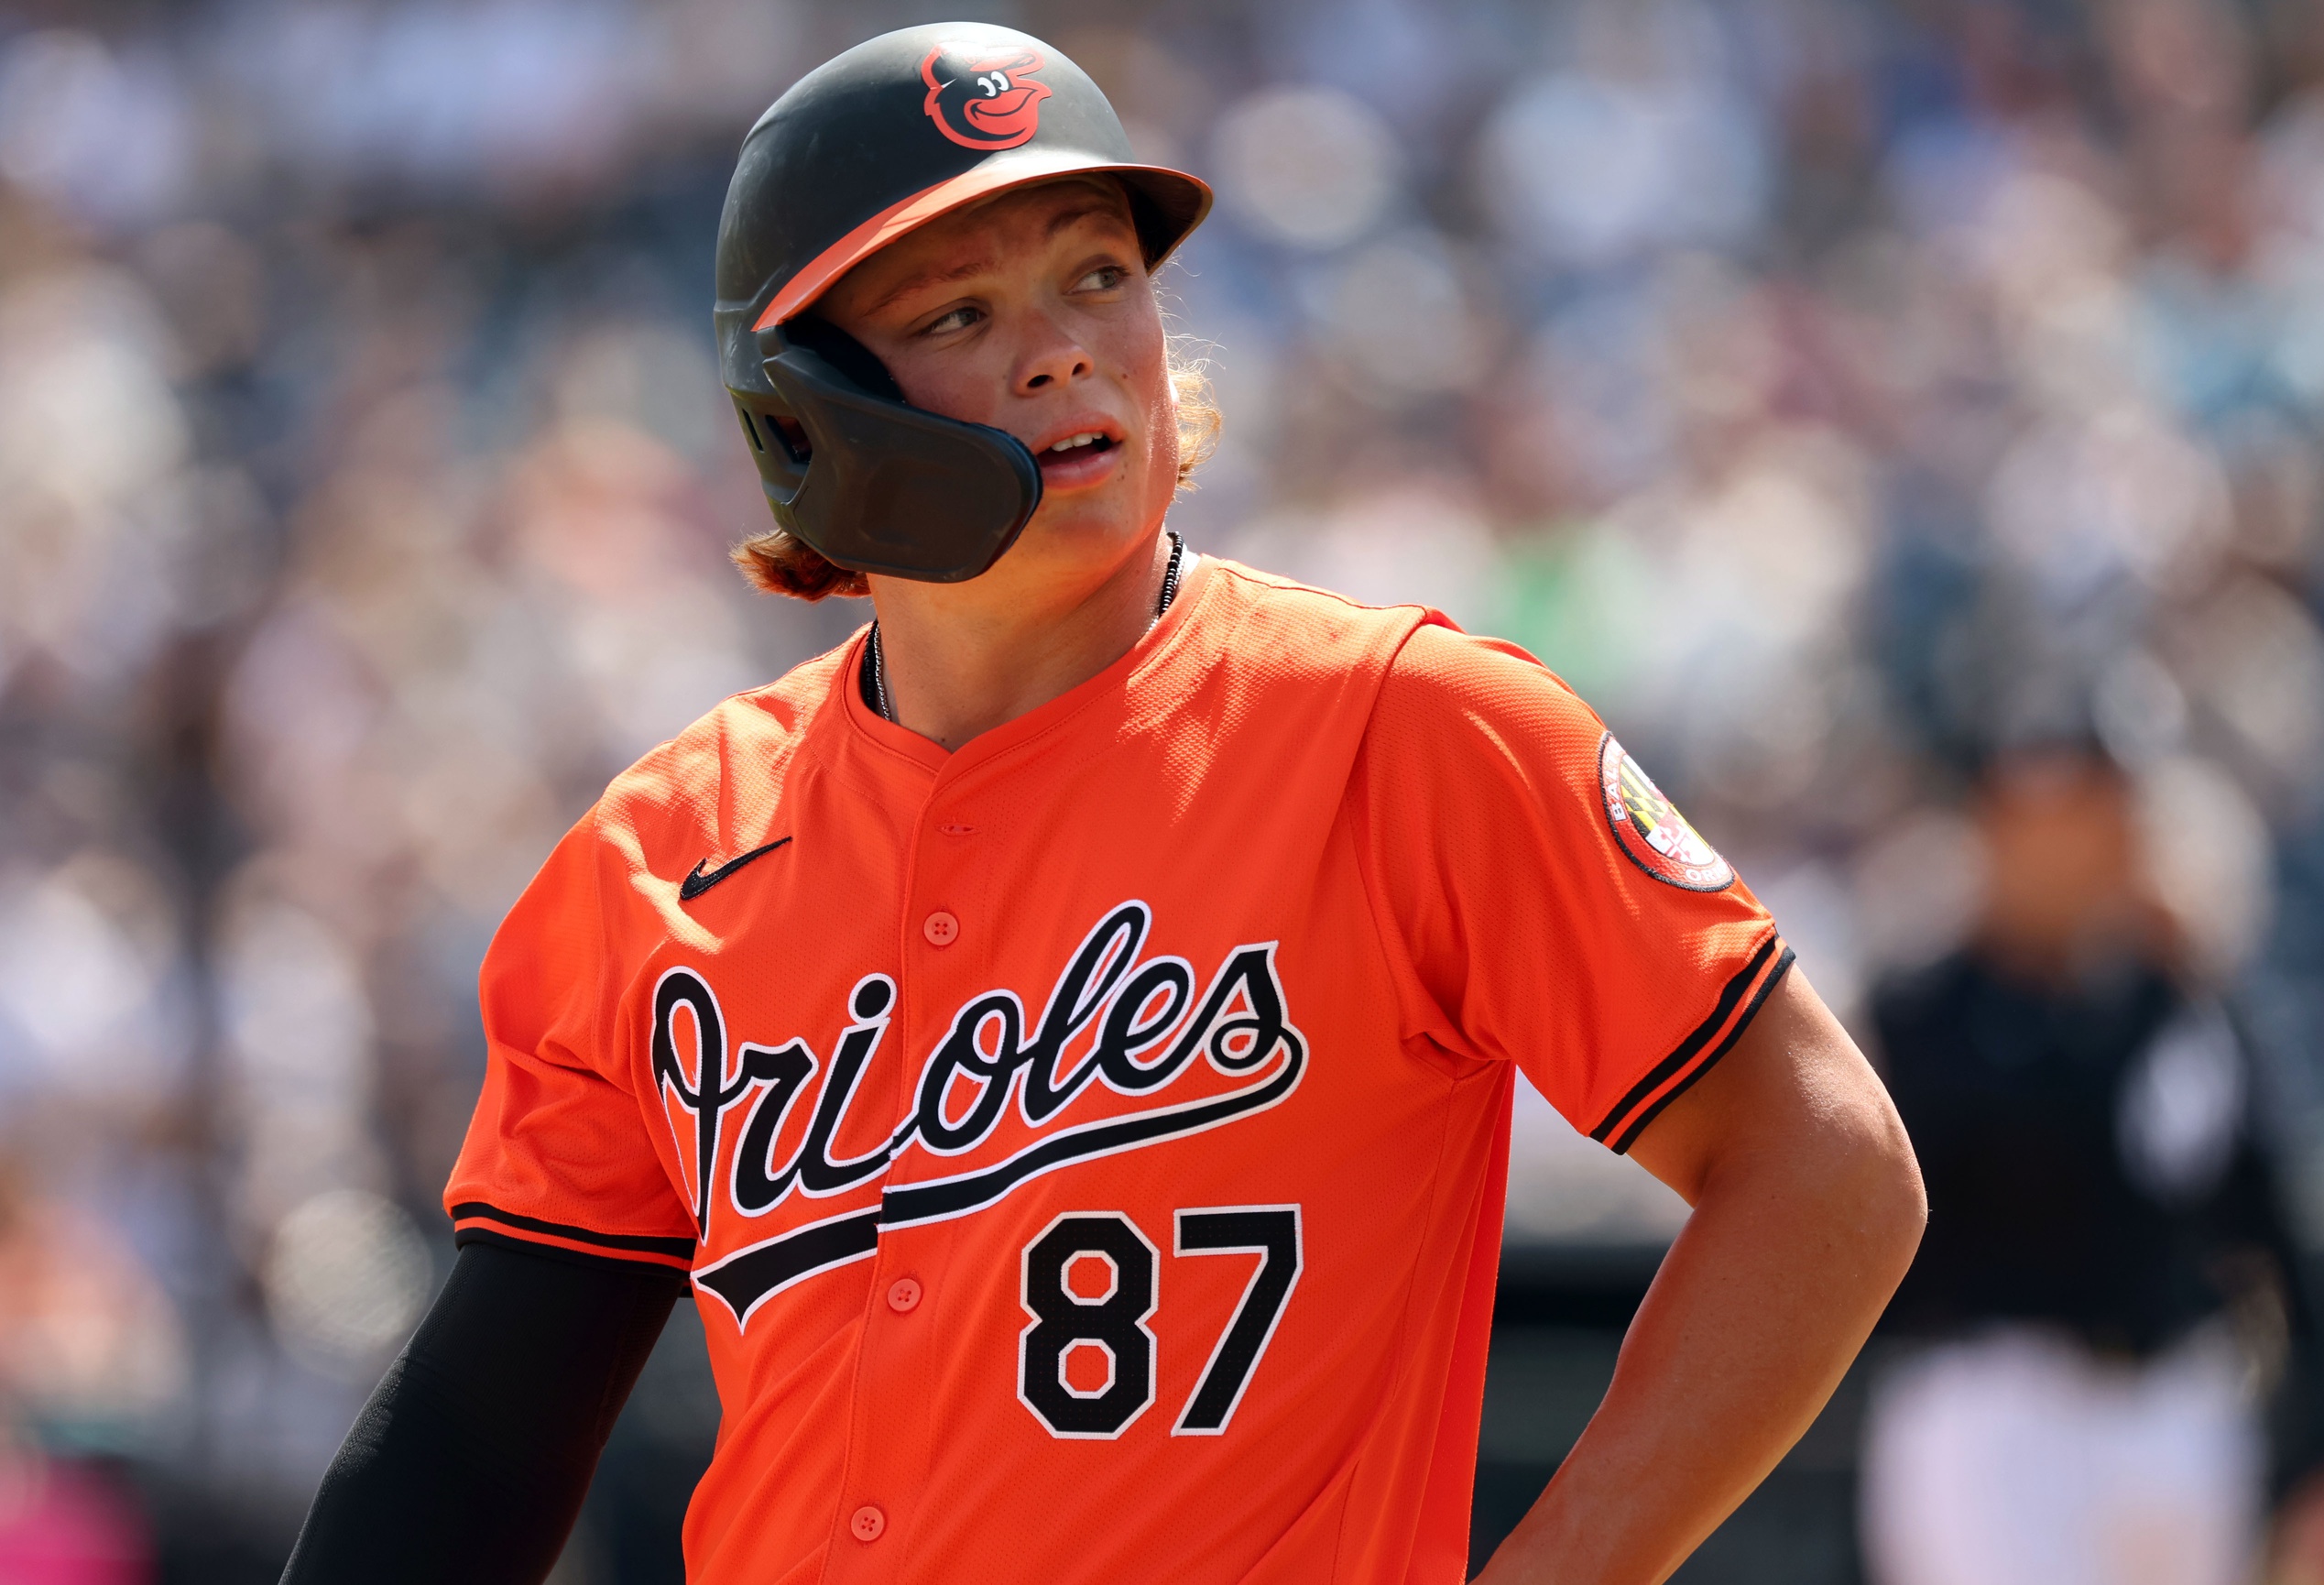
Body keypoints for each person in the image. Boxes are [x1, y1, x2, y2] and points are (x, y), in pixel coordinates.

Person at [279, 24, 1924, 1585]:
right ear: (804, 410)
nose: (1062, 341)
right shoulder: (666, 849)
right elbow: (471, 1454)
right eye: (955, 315)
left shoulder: (1402, 732)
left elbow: (1825, 1171)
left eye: (1096, 275)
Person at [1860, 746, 2293, 1585]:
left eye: (2088, 814)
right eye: (2034, 821)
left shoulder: (2173, 1001)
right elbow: (1988, 1157)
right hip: (1994, 1402)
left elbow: (2254, 1208)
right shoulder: (1929, 1006)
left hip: (2173, 1396)